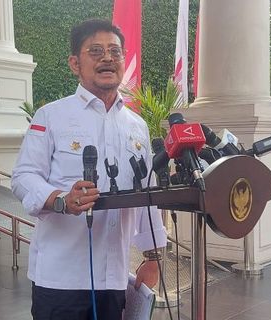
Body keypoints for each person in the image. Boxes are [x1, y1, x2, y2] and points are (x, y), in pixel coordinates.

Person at [11, 19, 167, 320]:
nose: (108, 58)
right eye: (96, 51)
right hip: (60, 280)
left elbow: (147, 191)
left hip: (115, 278)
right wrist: (60, 199)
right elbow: (23, 177)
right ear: (75, 63)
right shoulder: (51, 116)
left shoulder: (137, 126)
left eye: (115, 51)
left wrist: (153, 256)